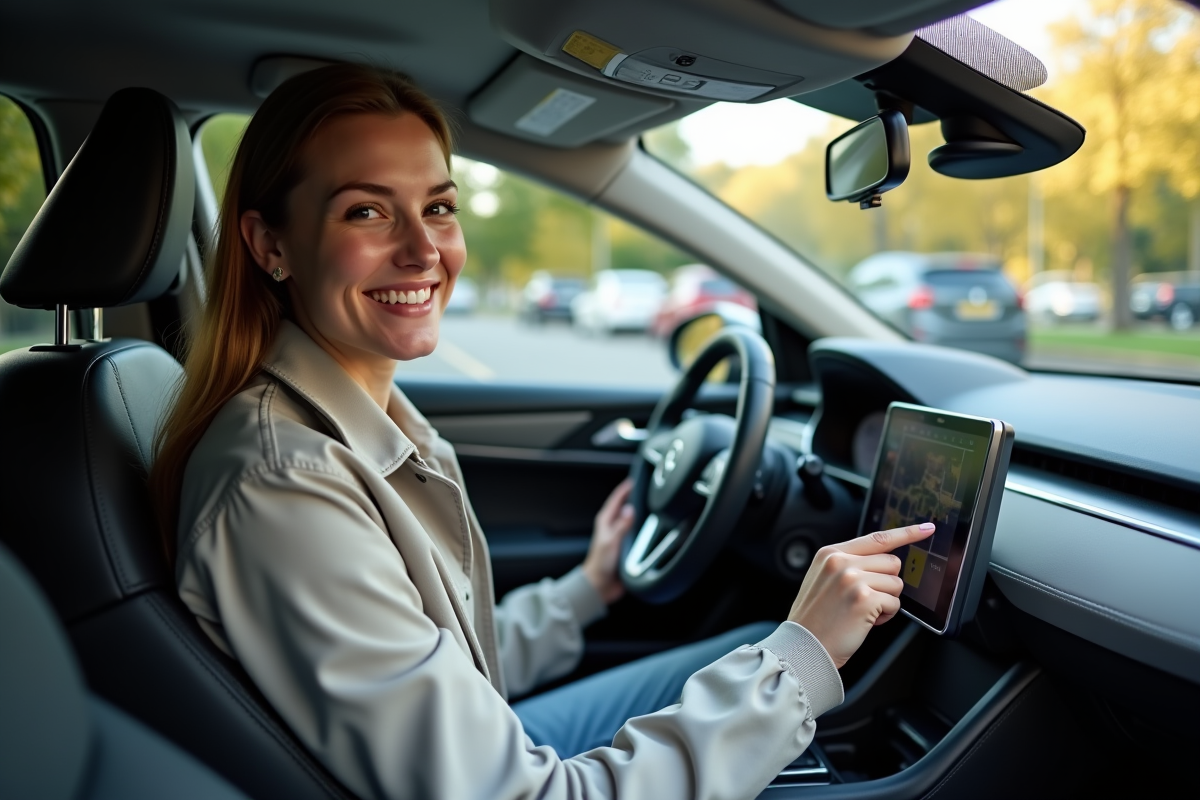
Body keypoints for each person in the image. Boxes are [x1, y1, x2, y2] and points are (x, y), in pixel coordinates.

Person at [149, 63, 933, 800]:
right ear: (269, 245)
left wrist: (590, 590)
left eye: (439, 207)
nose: (425, 250)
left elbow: (445, 667)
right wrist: (804, 659)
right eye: (367, 211)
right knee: (780, 665)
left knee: (758, 649)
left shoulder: (358, 423)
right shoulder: (286, 481)